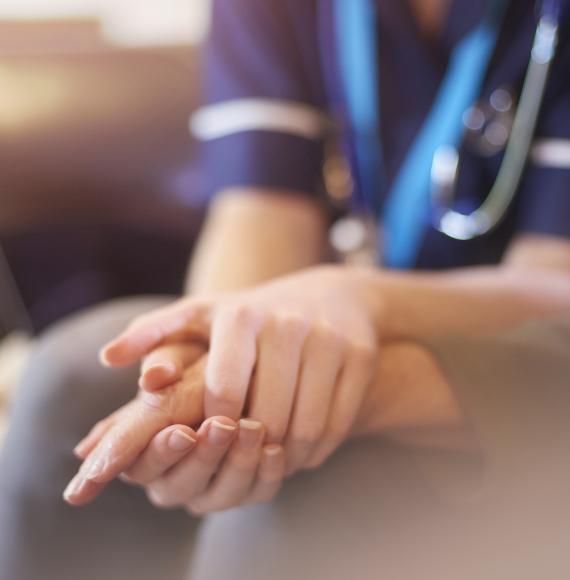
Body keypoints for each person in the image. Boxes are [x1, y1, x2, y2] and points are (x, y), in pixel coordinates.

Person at [1, 0, 569, 579]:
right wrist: (215, 357)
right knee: (71, 378)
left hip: (528, 347)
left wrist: (356, 301)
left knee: (309, 477)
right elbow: (261, 208)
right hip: (348, 306)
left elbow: (554, 287)